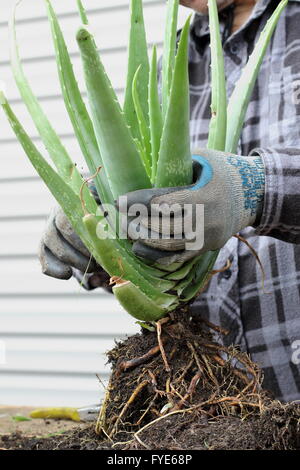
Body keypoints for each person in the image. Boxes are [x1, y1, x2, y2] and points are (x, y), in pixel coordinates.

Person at [39, 0, 300, 402]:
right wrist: (101, 234)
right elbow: (155, 225)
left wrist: (254, 189)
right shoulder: (170, 58)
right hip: (199, 407)